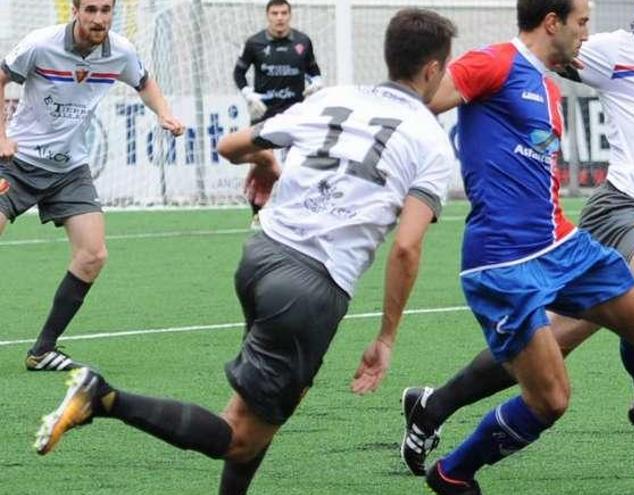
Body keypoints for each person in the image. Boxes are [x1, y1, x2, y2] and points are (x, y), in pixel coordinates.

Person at [33, 8, 458, 494]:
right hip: (310, 289)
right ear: (432, 70)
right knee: (239, 435)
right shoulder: (429, 138)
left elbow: (231, 146)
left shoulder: (336, 97)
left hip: (260, 256)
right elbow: (406, 246)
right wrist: (385, 338)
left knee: (270, 408)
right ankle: (103, 398)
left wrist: (266, 165)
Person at [401, 0, 634, 483]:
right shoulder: (605, 50)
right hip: (620, 208)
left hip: (617, 225)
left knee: (555, 342)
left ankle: (433, 406)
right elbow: (517, 59)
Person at [0, 0, 185, 372]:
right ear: (75, 10)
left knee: (93, 255)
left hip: (70, 169)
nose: (99, 18)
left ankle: (42, 351)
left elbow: (145, 82)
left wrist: (164, 113)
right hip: (17, 162)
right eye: (91, 10)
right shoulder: (40, 44)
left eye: (106, 10)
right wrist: (1, 135)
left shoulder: (121, 51)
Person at [234, 0, 323, 226]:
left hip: (296, 113)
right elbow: (239, 72)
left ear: (290, 15)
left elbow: (313, 69)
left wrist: (317, 83)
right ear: (268, 16)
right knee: (263, 163)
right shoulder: (255, 43)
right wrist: (248, 94)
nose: (280, 17)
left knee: (300, 164)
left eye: (284, 13)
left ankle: (300, 212)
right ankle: (257, 213)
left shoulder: (303, 42)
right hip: (265, 113)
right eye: (275, 13)